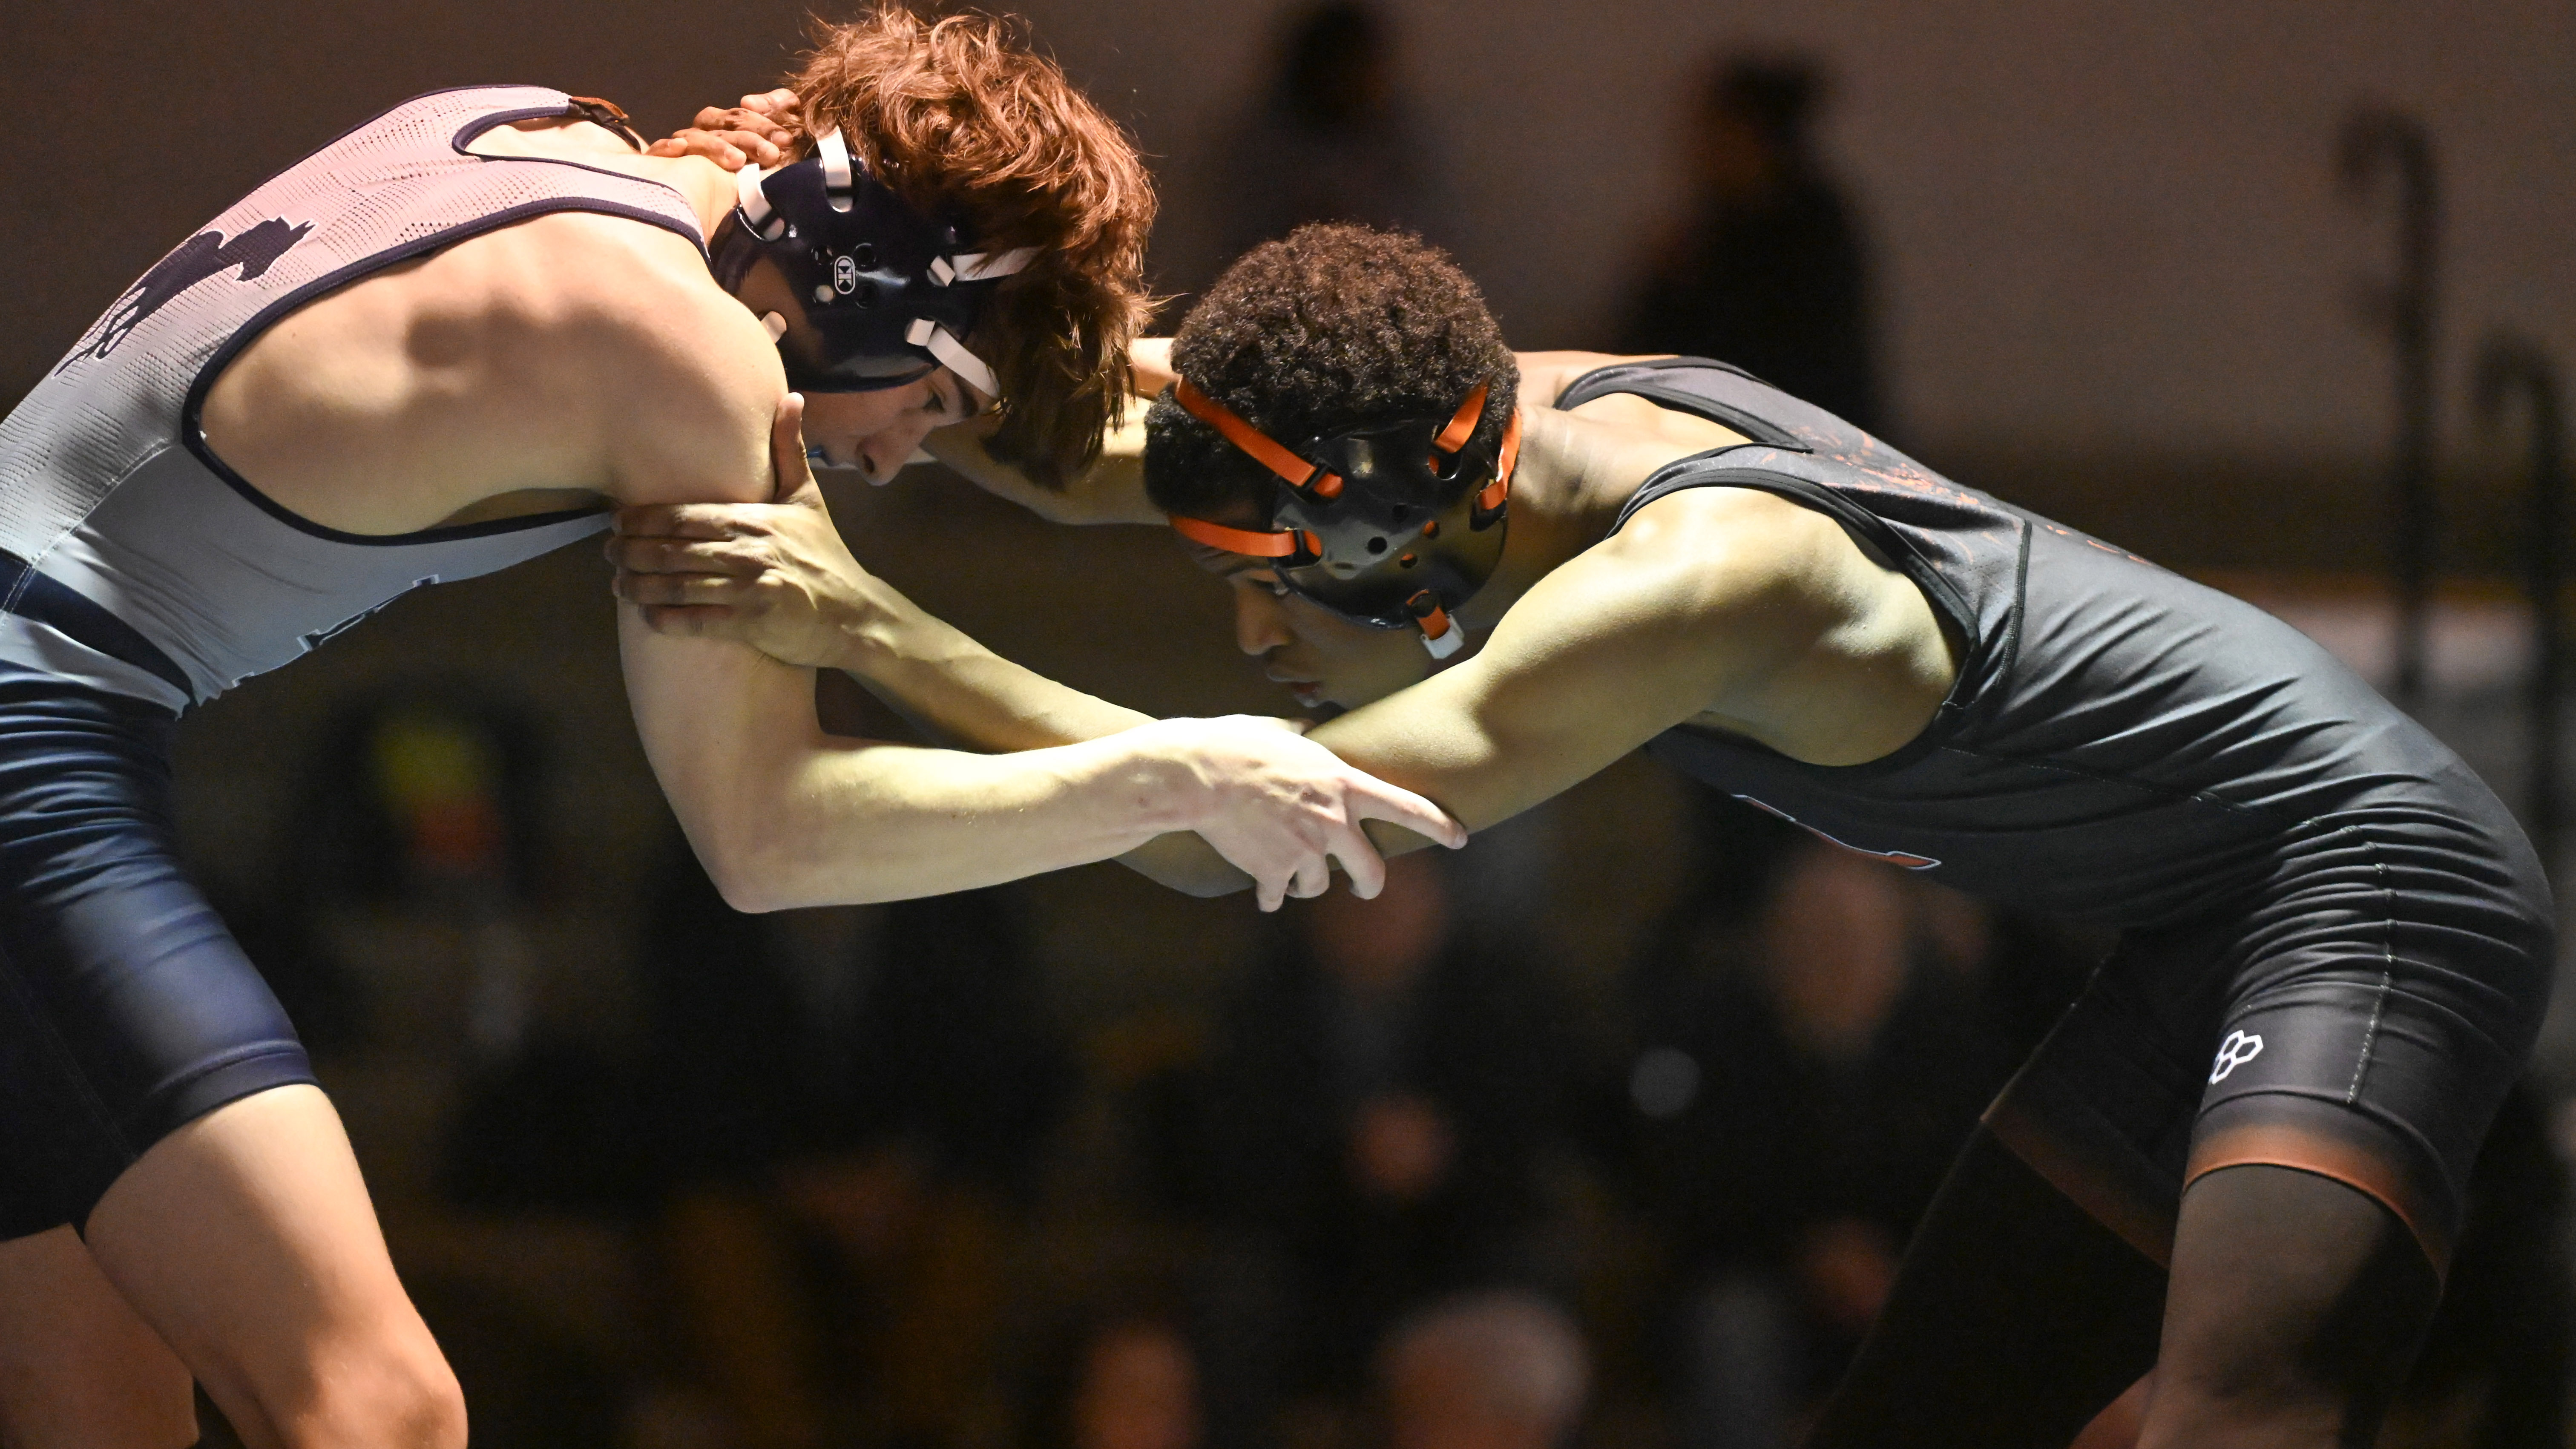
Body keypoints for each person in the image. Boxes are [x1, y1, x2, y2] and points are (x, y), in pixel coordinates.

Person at [608, 220, 2552, 1447]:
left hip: (2378, 880)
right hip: (2200, 923)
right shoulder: (1434, 423)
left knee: (2236, 1409)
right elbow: (1077, 442)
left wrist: (864, 623)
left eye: (1281, 596)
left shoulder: (1697, 579)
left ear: (1409, 548)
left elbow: (1234, 841)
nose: (1250, 630)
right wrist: (800, 321)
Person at [0, 24, 1465, 1449]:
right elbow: (768, 841)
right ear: (881, 283)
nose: (896, 452)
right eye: (938, 399)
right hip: (29, 738)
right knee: (382, 1411)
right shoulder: (691, 361)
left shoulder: (527, 124)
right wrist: (1179, 769)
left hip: (53, 698)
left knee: (107, 1413)